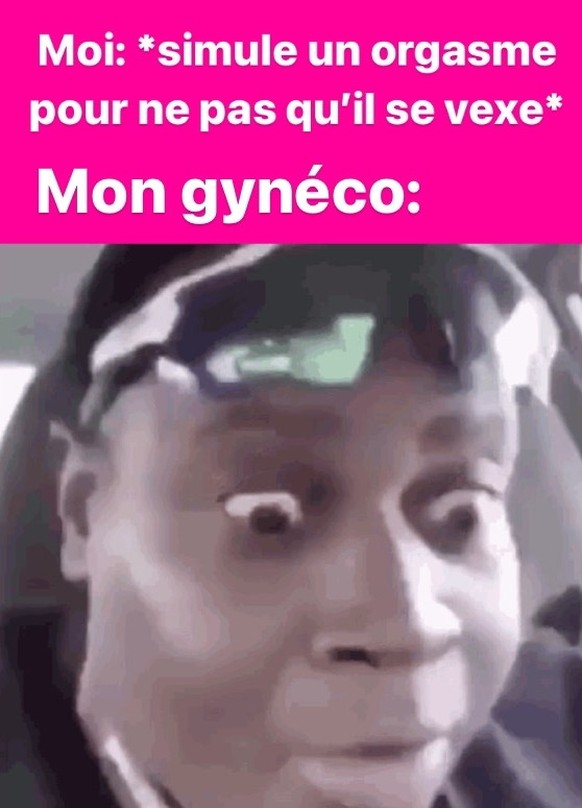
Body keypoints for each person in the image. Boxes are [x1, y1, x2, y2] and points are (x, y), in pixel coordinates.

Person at [1, 243, 582, 808]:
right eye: (269, 517)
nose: (410, 625)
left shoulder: (559, 724)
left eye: (462, 514)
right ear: (81, 509)